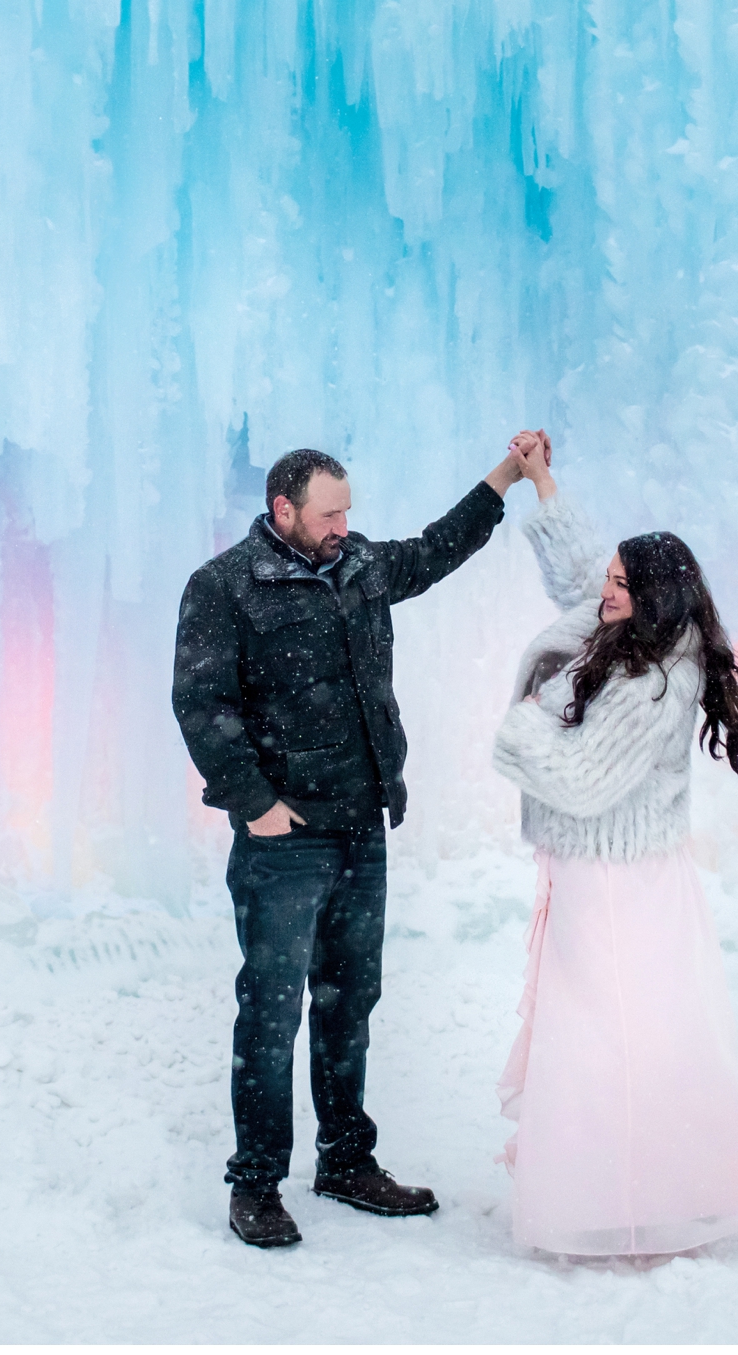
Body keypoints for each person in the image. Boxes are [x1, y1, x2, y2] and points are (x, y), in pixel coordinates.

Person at [173, 436, 542, 1249]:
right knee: (270, 1013)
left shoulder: (360, 565)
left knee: (348, 1004)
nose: (346, 525)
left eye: (350, 511)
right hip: (285, 840)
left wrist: (505, 477)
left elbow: (436, 548)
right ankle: (257, 1182)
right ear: (284, 511)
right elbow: (202, 704)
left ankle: (344, 1158)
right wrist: (255, 803)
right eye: (331, 512)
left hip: (360, 827)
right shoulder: (224, 587)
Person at [490, 431, 738, 1256]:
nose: (605, 592)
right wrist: (543, 482)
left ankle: (617, 1196)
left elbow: (582, 781)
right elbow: (583, 572)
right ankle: (637, 1183)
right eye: (611, 579)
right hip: (609, 870)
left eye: (622, 584)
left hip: (615, 880)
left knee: (607, 1032)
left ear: (651, 597)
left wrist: (525, 721)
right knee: (629, 1025)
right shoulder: (642, 632)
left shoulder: (651, 680)